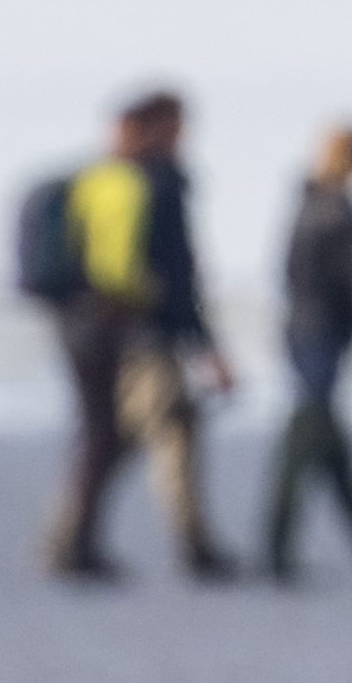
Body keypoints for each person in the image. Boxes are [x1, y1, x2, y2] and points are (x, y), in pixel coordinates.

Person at [40, 87, 237, 583]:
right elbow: (166, 274)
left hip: (91, 328)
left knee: (113, 437)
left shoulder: (93, 181)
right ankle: (194, 545)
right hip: (141, 333)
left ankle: (68, 539)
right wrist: (199, 340)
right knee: (172, 429)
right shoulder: (153, 186)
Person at [261, 122, 352, 582]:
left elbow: (288, 270)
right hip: (321, 331)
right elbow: (337, 280)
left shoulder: (306, 201)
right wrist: (350, 324)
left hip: (302, 326)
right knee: (308, 438)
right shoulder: (337, 209)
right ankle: (278, 545)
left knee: (328, 442)